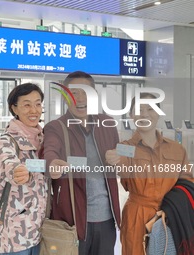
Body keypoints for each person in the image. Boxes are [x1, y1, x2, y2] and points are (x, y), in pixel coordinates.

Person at [105, 92, 194, 255]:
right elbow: (119, 158)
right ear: (131, 114)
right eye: (139, 109)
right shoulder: (126, 147)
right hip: (137, 216)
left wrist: (175, 208)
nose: (145, 114)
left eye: (150, 109)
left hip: (170, 216)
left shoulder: (176, 149)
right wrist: (113, 157)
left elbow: (187, 184)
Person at [43, 71, 121, 255]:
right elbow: (50, 151)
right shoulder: (56, 127)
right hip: (72, 221)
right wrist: (52, 163)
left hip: (107, 220)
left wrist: (123, 155)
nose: (80, 98)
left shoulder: (107, 123)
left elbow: (123, 149)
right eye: (74, 92)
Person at [0, 83, 47, 255]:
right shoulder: (7, 141)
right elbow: (12, 166)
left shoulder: (44, 139)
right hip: (16, 234)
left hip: (41, 229)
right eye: (27, 104)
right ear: (14, 108)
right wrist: (19, 172)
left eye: (38, 104)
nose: (34, 110)